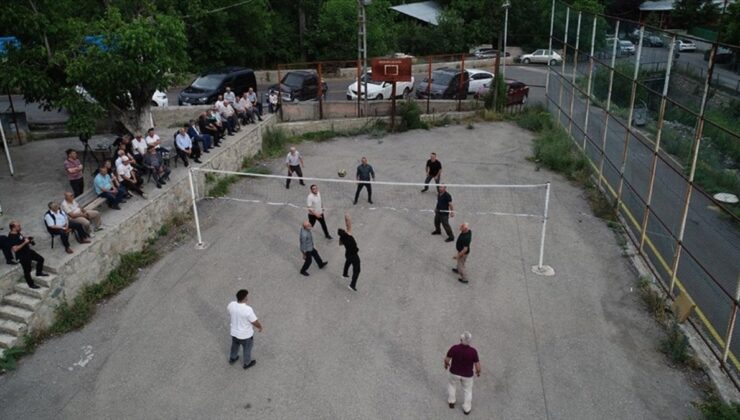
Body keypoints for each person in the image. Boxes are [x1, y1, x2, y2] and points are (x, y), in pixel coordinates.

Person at [445, 331, 481, 415]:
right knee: (468, 391)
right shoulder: (473, 352)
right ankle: (466, 409)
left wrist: (446, 364)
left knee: (452, 385)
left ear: (460, 339)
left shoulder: (454, 348)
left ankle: (451, 402)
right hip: (467, 375)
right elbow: (477, 365)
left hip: (454, 372)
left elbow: (447, 359)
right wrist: (478, 372)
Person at [227, 289, 263, 370]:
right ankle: (247, 363)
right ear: (245, 298)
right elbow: (254, 321)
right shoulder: (248, 309)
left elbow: (229, 313)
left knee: (234, 346)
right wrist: (260, 327)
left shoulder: (231, 304)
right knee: (247, 349)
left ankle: (233, 358)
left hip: (234, 333)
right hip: (245, 336)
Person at [7, 221, 49, 289]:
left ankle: (39, 272)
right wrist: (25, 242)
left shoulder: (17, 233)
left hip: (28, 251)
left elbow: (22, 239)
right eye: (18, 226)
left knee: (40, 259)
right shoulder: (11, 237)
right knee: (27, 270)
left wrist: (27, 239)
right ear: (13, 228)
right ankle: (31, 284)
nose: (20, 227)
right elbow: (15, 249)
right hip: (22, 256)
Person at [337, 213, 360, 292]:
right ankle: (352, 285)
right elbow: (349, 224)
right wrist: (346, 217)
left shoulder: (341, 238)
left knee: (348, 262)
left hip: (348, 254)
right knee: (357, 270)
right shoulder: (349, 234)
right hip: (354, 255)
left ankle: (344, 274)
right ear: (344, 231)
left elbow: (340, 244)